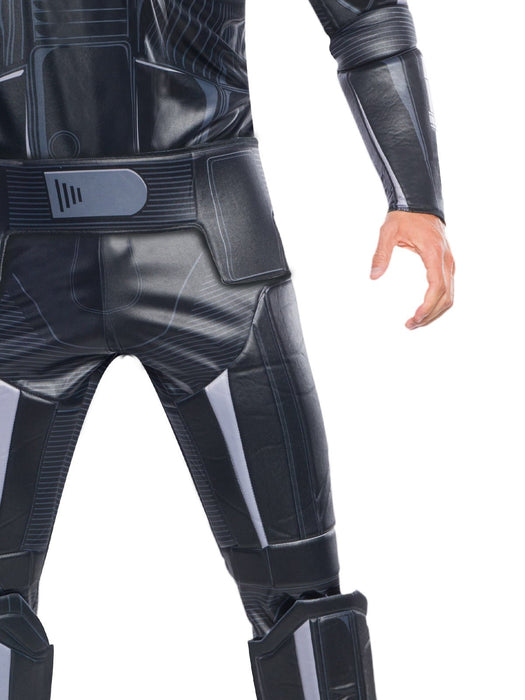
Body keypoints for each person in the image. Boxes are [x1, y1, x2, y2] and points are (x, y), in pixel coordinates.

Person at [0, 1, 454, 698]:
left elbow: (364, 15)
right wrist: (414, 195)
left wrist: (415, 196)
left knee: (302, 601)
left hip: (209, 253)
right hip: (64, 259)